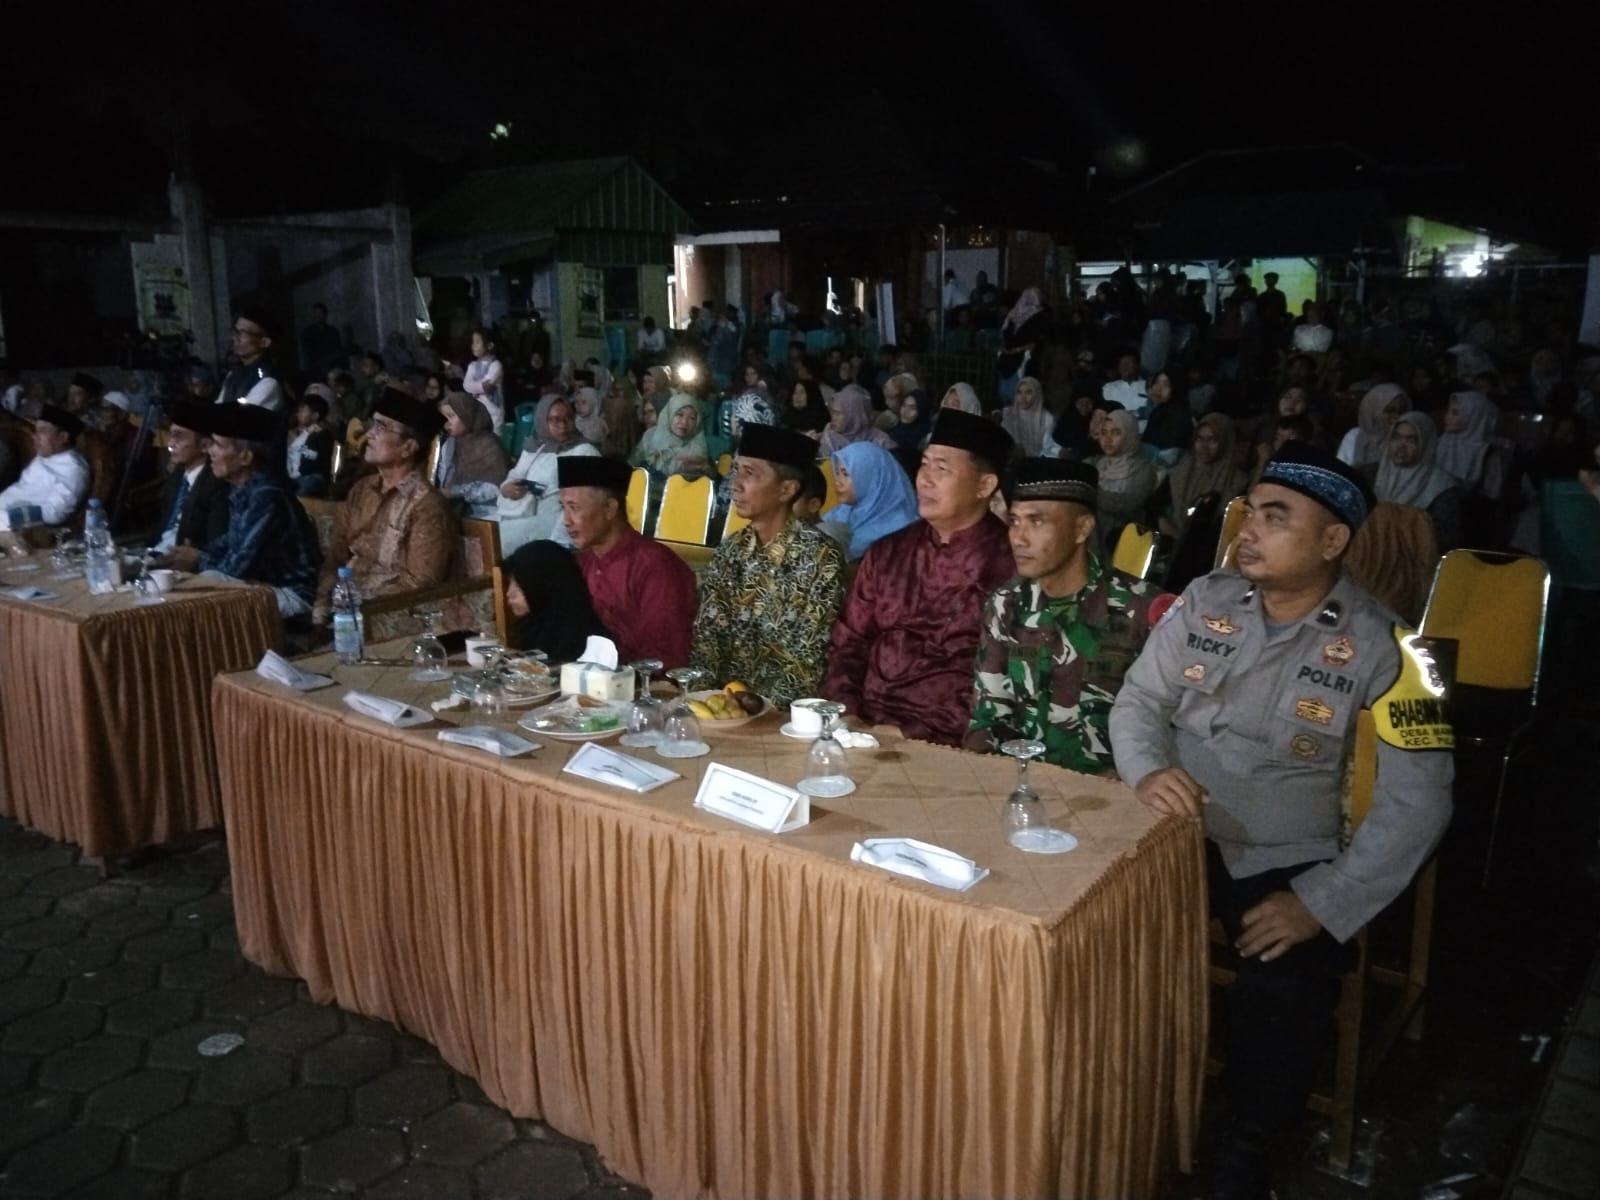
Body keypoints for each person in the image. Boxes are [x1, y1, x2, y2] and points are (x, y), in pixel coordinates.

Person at [1109, 442, 1453, 1199]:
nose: (1248, 531)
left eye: (1275, 517)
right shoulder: (1205, 598)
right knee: (1075, 916)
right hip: (1169, 826)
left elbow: (1420, 801)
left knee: (1283, 987)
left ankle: (1250, 1142)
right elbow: (1139, 703)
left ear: (1332, 541)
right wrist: (1149, 770)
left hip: (1283, 855)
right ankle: (1113, 1099)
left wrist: (1322, 902)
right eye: (1250, 512)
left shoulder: (1391, 649)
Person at [823, 409, 1016, 745]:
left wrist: (909, 734)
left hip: (949, 743)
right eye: (924, 465)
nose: (925, 479)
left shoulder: (1010, 567)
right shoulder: (888, 552)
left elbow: (1005, 680)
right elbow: (848, 642)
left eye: (942, 469)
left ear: (984, 485)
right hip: (860, 729)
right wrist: (847, 712)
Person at [966, 458, 1162, 773]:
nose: (1018, 538)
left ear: (1082, 528)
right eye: (1014, 521)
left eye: (1036, 521)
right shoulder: (1007, 604)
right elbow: (989, 715)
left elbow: (1163, 724)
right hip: (1020, 782)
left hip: (1108, 790)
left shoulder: (1142, 610)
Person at [691, 423, 847, 704]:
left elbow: (809, 662)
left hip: (787, 714)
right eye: (736, 470)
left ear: (786, 489)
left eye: (749, 473)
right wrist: (706, 701)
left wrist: (758, 711)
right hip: (724, 708)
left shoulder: (821, 557)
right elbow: (707, 642)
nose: (735, 484)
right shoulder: (730, 551)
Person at [312, 389, 455, 626]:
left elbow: (421, 584)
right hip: (342, 607)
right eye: (373, 425)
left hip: (386, 617)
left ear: (408, 447)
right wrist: (323, 599)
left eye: (381, 427)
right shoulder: (362, 489)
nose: (369, 434)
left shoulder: (427, 505)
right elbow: (336, 554)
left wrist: (358, 606)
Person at [165, 404, 322, 618]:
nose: (210, 452)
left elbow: (236, 569)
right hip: (262, 587)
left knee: (203, 594)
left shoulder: (266, 496)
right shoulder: (243, 490)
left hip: (292, 595)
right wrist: (189, 554)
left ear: (246, 457)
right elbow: (231, 542)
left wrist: (197, 559)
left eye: (218, 445)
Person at [557, 455, 698, 669]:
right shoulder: (583, 564)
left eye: (574, 508)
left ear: (609, 509)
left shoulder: (655, 567)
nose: (566, 521)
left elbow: (665, 656)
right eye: (563, 508)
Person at [500, 396, 600, 552]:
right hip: (522, 511)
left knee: (501, 539)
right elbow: (516, 473)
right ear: (542, 421)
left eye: (568, 418)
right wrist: (507, 488)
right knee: (486, 531)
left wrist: (558, 541)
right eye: (554, 420)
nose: (563, 425)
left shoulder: (583, 452)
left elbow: (587, 501)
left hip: (556, 521)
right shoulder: (535, 447)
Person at [1362, 411, 1463, 552]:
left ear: (1426, 443)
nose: (1401, 445)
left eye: (1411, 440)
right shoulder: (1370, 473)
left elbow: (1443, 540)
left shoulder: (1444, 487)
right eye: (1396, 437)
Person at [500, 540, 612, 662]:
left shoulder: (587, 644)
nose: (509, 593)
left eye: (518, 585)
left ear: (544, 585)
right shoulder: (532, 627)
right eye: (510, 582)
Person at [151, 402, 230, 556]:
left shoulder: (216, 484)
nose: (170, 444)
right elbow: (163, 528)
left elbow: (214, 544)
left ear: (204, 445)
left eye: (179, 436)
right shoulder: (178, 475)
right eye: (171, 435)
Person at [824, 441, 921, 562]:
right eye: (837, 473)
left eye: (845, 474)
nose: (837, 481)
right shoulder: (841, 512)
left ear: (871, 477)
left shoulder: (903, 530)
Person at [0, 405, 89, 531]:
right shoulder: (47, 455)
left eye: (42, 431)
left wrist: (10, 517)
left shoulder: (74, 469)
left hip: (20, 526)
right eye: (35, 430)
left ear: (63, 437)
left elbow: (56, 514)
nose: (34, 436)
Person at [1161, 413, 1249, 539]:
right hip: (1170, 539)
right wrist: (1174, 535)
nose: (1204, 447)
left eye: (1212, 440)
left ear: (1226, 442)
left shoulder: (1237, 481)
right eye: (1199, 439)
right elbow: (1155, 508)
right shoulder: (1180, 472)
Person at [1091, 409, 1158, 549]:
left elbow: (1128, 504)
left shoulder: (1143, 470)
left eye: (1116, 433)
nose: (1108, 439)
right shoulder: (1095, 464)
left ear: (1129, 435)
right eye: (1104, 433)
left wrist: (1090, 492)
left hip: (1122, 534)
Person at [435, 391, 510, 504]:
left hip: (487, 509)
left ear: (466, 415)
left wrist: (455, 492)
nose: (447, 423)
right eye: (444, 418)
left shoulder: (489, 446)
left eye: (450, 416)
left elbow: (497, 488)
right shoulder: (451, 443)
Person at [217, 310, 286, 410]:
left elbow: (244, 415)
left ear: (264, 342)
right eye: (235, 332)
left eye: (243, 333)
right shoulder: (233, 374)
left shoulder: (268, 380)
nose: (235, 338)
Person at [630, 393, 709, 476]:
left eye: (692, 418)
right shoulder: (650, 436)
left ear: (697, 422)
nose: (684, 422)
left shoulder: (698, 448)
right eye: (679, 414)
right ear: (669, 414)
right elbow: (632, 465)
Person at [1335, 383, 1407, 468]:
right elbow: (1341, 469)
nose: (1397, 416)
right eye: (1390, 410)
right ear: (1374, 410)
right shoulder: (1354, 436)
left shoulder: (1406, 440)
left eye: (1401, 411)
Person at [818, 383, 894, 458]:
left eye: (838, 413)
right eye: (833, 412)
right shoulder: (830, 436)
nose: (833, 418)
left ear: (854, 416)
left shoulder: (881, 441)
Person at [286, 385, 337, 496]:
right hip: (292, 477)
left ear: (315, 416)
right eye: (298, 411)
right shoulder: (294, 432)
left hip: (310, 476)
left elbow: (323, 461)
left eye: (303, 411)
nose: (298, 414)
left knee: (310, 483)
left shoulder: (322, 434)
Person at [463, 328, 504, 431]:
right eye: (473, 342)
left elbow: (488, 386)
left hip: (493, 411)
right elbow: (466, 385)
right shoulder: (472, 365)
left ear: (489, 345)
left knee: (493, 436)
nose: (473, 346)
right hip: (478, 410)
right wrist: (481, 386)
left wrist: (474, 386)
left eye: (477, 342)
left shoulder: (496, 365)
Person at [1002, 376, 1054, 457]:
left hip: (1038, 460)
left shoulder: (1047, 418)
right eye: (1019, 392)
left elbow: (1049, 448)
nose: (1023, 397)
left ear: (1037, 394)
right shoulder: (1009, 414)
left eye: (1028, 392)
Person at [300, 303, 345, 376]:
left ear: (325, 314)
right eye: (316, 313)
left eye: (320, 313)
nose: (318, 316)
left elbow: (338, 351)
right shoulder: (307, 332)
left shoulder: (333, 331)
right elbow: (307, 354)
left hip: (332, 368)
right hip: (315, 369)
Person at [1101, 352, 1149, 420]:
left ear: (1138, 366)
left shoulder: (1148, 386)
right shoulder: (1108, 387)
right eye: (1122, 363)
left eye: (1128, 363)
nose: (1124, 366)